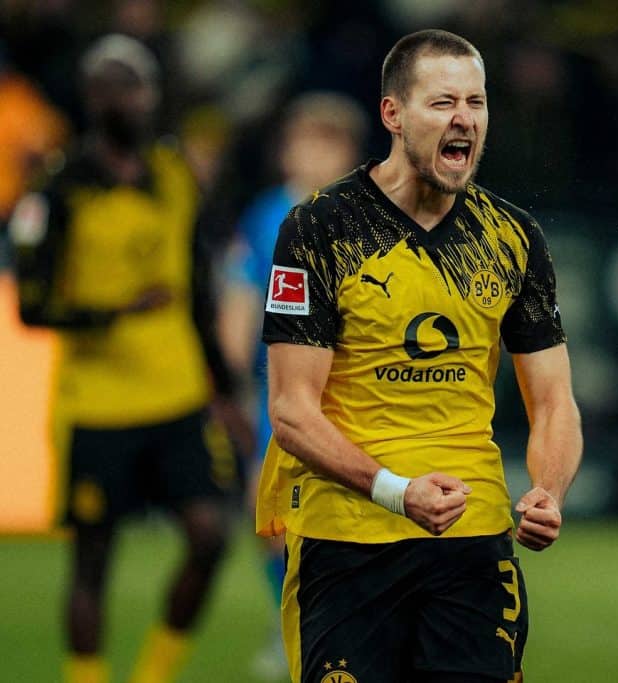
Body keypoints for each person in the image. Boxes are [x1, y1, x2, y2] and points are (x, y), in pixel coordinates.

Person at [255, 29, 583, 683]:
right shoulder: (320, 229)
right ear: (393, 114)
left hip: (471, 538)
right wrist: (397, 492)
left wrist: (549, 489)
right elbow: (291, 411)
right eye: (442, 102)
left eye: (475, 102)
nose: (465, 118)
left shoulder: (513, 237)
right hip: (348, 539)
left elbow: (553, 400)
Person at [9, 34, 249, 683]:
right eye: (111, 87)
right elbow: (31, 307)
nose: (126, 100)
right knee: (93, 560)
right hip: (98, 402)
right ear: (90, 99)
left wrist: (226, 388)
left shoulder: (173, 176)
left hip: (176, 395)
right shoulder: (59, 190)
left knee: (210, 535)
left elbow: (197, 289)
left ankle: (152, 673)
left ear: (152, 94)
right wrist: (114, 312)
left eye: (135, 86)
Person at [218, 91, 368, 680]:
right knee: (273, 522)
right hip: (282, 393)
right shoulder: (265, 218)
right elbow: (240, 295)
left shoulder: (367, 216)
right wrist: (230, 370)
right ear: (287, 152)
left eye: (331, 144)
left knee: (354, 511)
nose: (318, 156)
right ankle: (296, 620)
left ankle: (340, 622)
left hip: (357, 392)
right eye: (309, 142)